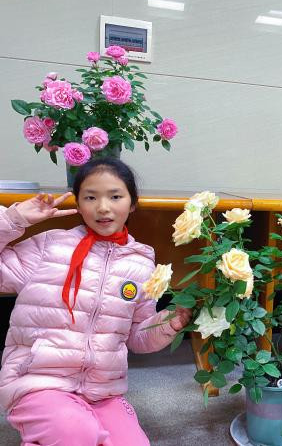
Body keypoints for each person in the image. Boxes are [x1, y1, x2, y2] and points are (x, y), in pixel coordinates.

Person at [0, 158, 192, 446]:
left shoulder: (142, 264)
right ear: (78, 203)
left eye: (115, 196)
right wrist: (14, 219)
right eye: (91, 197)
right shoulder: (50, 245)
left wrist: (168, 324)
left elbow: (137, 337)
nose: (103, 207)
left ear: (132, 203)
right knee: (79, 432)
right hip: (37, 383)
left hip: (102, 392)